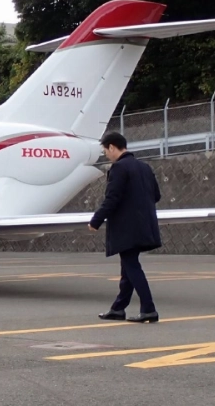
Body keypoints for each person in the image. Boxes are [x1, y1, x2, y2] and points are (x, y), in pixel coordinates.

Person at [88, 131, 162, 323]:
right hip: (145, 224)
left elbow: (112, 198)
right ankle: (118, 308)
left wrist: (96, 220)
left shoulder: (119, 168)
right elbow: (156, 196)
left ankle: (149, 309)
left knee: (132, 267)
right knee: (127, 267)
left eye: (106, 151)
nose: (106, 155)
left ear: (112, 147)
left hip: (127, 227)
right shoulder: (144, 167)